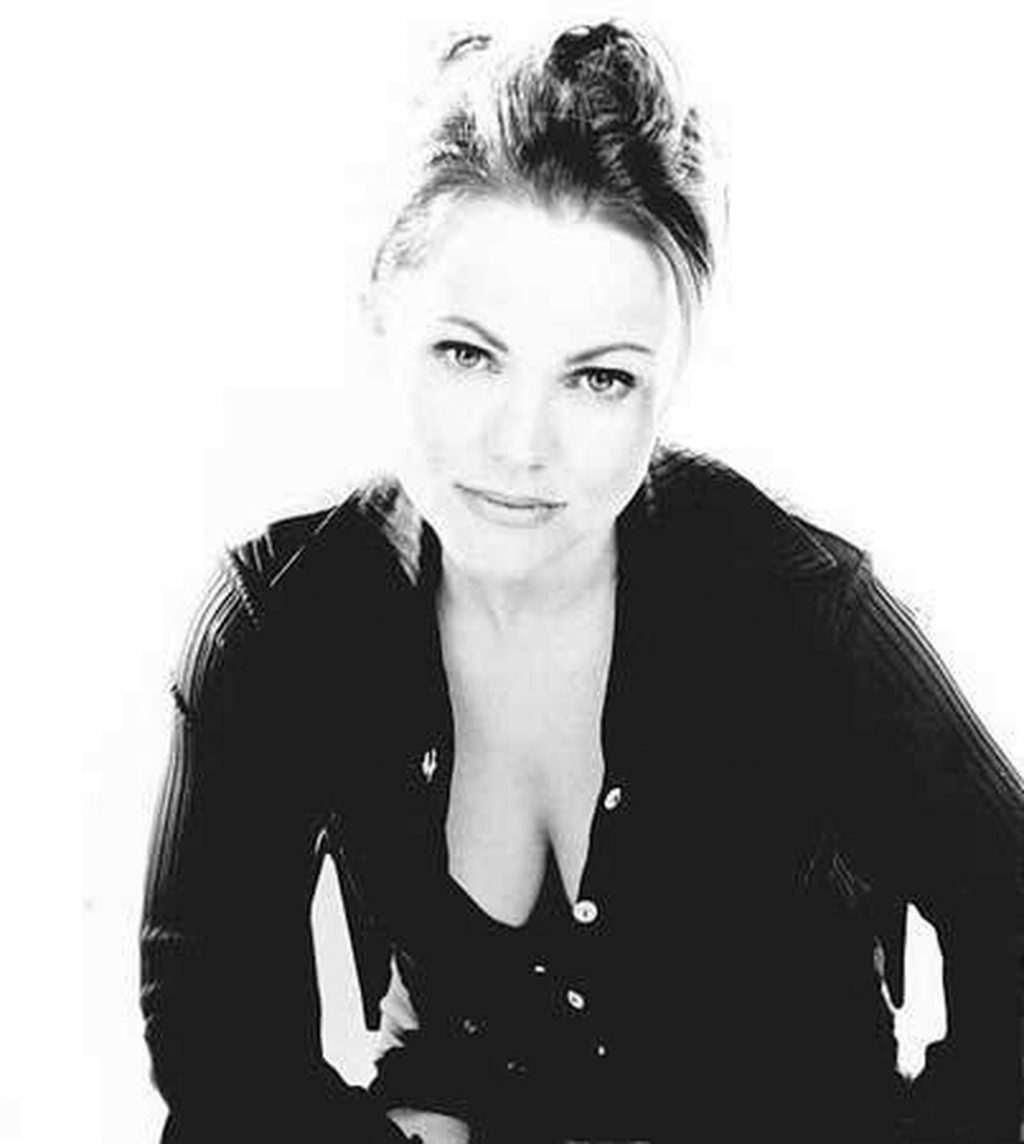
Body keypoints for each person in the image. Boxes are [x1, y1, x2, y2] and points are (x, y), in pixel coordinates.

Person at [139, 19, 1024, 1143]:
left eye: (598, 379)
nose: (522, 445)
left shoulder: (796, 609)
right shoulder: (283, 623)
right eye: (468, 353)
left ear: (671, 378)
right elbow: (214, 1035)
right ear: (381, 319)